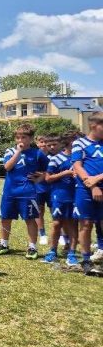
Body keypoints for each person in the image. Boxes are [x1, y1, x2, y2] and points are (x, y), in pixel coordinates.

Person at [0, 123, 49, 259]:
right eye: (17, 137)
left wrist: (39, 179)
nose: (20, 140)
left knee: (30, 219)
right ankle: (4, 244)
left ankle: (32, 247)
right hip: (10, 192)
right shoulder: (10, 151)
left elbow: (49, 169)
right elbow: (7, 167)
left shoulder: (37, 153)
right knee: (5, 218)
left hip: (28, 192)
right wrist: (18, 152)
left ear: (31, 139)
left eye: (23, 137)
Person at [71, 112, 103, 275]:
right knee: (86, 223)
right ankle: (86, 260)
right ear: (93, 125)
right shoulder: (80, 143)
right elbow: (77, 166)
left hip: (98, 184)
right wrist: (92, 185)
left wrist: (97, 178)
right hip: (85, 189)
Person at [43, 132, 79, 266]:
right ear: (68, 142)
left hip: (76, 195)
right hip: (59, 195)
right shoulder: (56, 159)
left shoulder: (80, 158)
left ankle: (72, 253)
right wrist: (65, 173)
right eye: (74, 141)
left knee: (73, 224)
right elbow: (48, 178)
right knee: (57, 223)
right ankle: (52, 251)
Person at [35, 135, 51, 245]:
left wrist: (44, 174)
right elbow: (31, 171)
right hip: (39, 187)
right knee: (39, 211)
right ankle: (42, 234)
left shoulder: (54, 155)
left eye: (45, 142)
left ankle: (62, 235)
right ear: (37, 143)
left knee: (55, 211)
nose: (43, 144)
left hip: (52, 187)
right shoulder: (34, 155)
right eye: (41, 142)